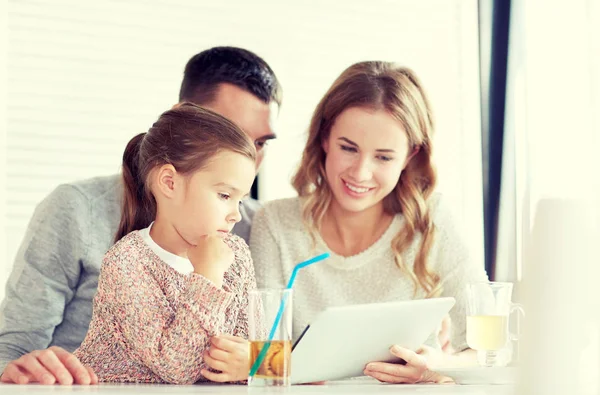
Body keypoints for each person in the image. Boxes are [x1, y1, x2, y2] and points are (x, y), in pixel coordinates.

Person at [0, 46, 281, 385]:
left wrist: (260, 360)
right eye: (224, 130)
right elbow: (13, 347)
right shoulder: (81, 213)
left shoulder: (248, 228)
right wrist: (11, 370)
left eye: (260, 142)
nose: (244, 154)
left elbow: (263, 354)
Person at [250, 61, 488, 384]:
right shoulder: (275, 225)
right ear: (324, 139)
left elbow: (491, 351)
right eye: (348, 148)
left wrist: (438, 365)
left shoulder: (432, 220)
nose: (360, 173)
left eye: (384, 157)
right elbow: (258, 359)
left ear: (409, 157)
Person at [72, 103, 257, 384]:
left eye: (240, 199)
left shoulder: (237, 255)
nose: (236, 214)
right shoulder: (127, 262)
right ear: (169, 183)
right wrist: (208, 275)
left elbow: (256, 348)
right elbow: (179, 369)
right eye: (224, 195)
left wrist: (254, 362)